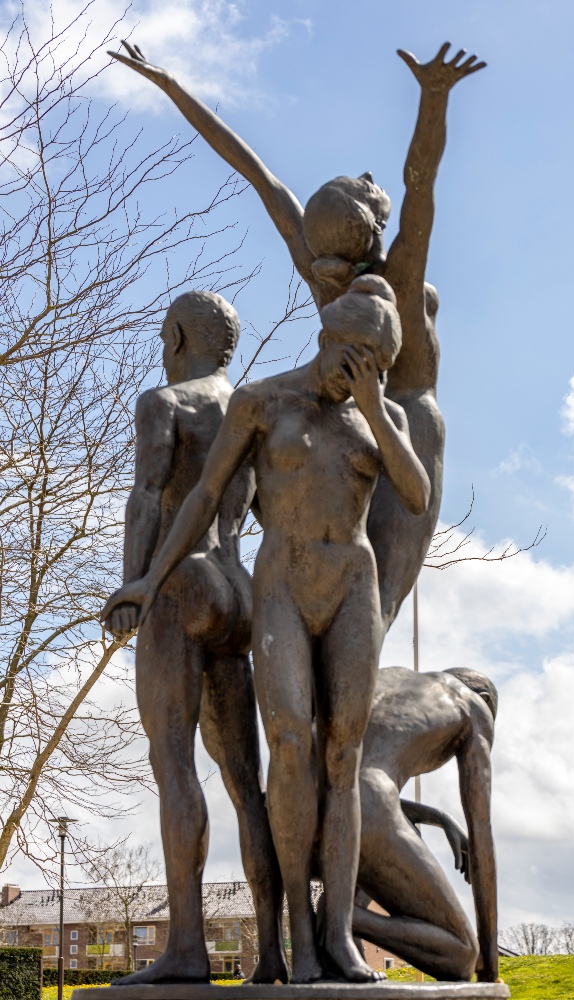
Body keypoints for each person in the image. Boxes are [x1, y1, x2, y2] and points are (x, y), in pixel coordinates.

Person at [102, 275, 430, 984]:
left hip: (345, 583)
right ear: (329, 342)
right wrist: (147, 580)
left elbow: (414, 495)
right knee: (279, 753)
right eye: (357, 359)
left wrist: (375, 406)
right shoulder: (257, 401)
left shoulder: (371, 417)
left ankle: (326, 938)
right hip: (266, 585)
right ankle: (290, 950)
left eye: (377, 364)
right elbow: (207, 496)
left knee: (330, 758)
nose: (362, 375)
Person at [107, 39, 485, 632]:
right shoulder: (387, 275)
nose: (366, 175)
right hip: (372, 416)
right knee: (344, 590)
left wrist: (174, 88)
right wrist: (432, 100)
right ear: (368, 223)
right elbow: (419, 185)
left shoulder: (351, 270)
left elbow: (258, 174)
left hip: (398, 430)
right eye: (360, 184)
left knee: (372, 606)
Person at [104, 291, 286, 986]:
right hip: (238, 589)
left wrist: (134, 585)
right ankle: (271, 953)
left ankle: (185, 947)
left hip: (181, 586)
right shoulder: (254, 411)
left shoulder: (165, 401)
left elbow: (147, 494)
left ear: (176, 335)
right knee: (248, 783)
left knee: (173, 762)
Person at [349, 665, 499, 983]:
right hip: (358, 811)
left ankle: (334, 931)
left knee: (399, 825)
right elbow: (481, 834)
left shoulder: (391, 680)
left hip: (290, 805)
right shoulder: (472, 705)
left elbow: (350, 784)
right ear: (484, 698)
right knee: (461, 954)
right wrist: (488, 962)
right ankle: (344, 919)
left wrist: (441, 819)